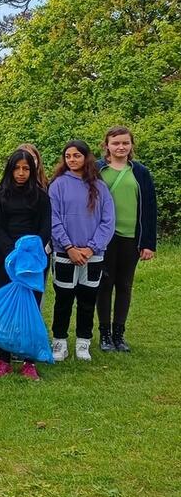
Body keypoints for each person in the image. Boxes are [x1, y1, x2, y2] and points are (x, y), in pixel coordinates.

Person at [0, 149, 52, 379]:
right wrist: (13, 254)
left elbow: (45, 228)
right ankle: (3, 358)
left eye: (26, 168)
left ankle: (29, 361)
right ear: (10, 169)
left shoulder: (41, 196)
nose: (21, 173)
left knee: (30, 309)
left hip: (33, 260)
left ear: (32, 170)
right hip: (6, 259)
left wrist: (29, 255)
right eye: (17, 168)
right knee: (7, 309)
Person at [49, 140, 115, 362]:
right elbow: (54, 219)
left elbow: (108, 221)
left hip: (92, 254)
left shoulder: (100, 187)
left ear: (86, 157)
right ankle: (59, 343)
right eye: (68, 156)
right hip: (65, 253)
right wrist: (69, 247)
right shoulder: (57, 185)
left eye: (76, 155)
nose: (72, 160)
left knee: (87, 299)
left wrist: (90, 248)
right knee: (64, 299)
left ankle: (83, 342)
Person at [96, 127, 157, 352]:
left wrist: (149, 242)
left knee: (124, 285)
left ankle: (119, 334)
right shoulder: (97, 170)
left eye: (125, 143)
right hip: (104, 237)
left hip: (131, 237)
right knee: (104, 284)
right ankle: (104, 334)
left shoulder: (140, 172)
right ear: (107, 146)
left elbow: (150, 208)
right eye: (116, 143)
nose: (121, 147)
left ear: (131, 145)